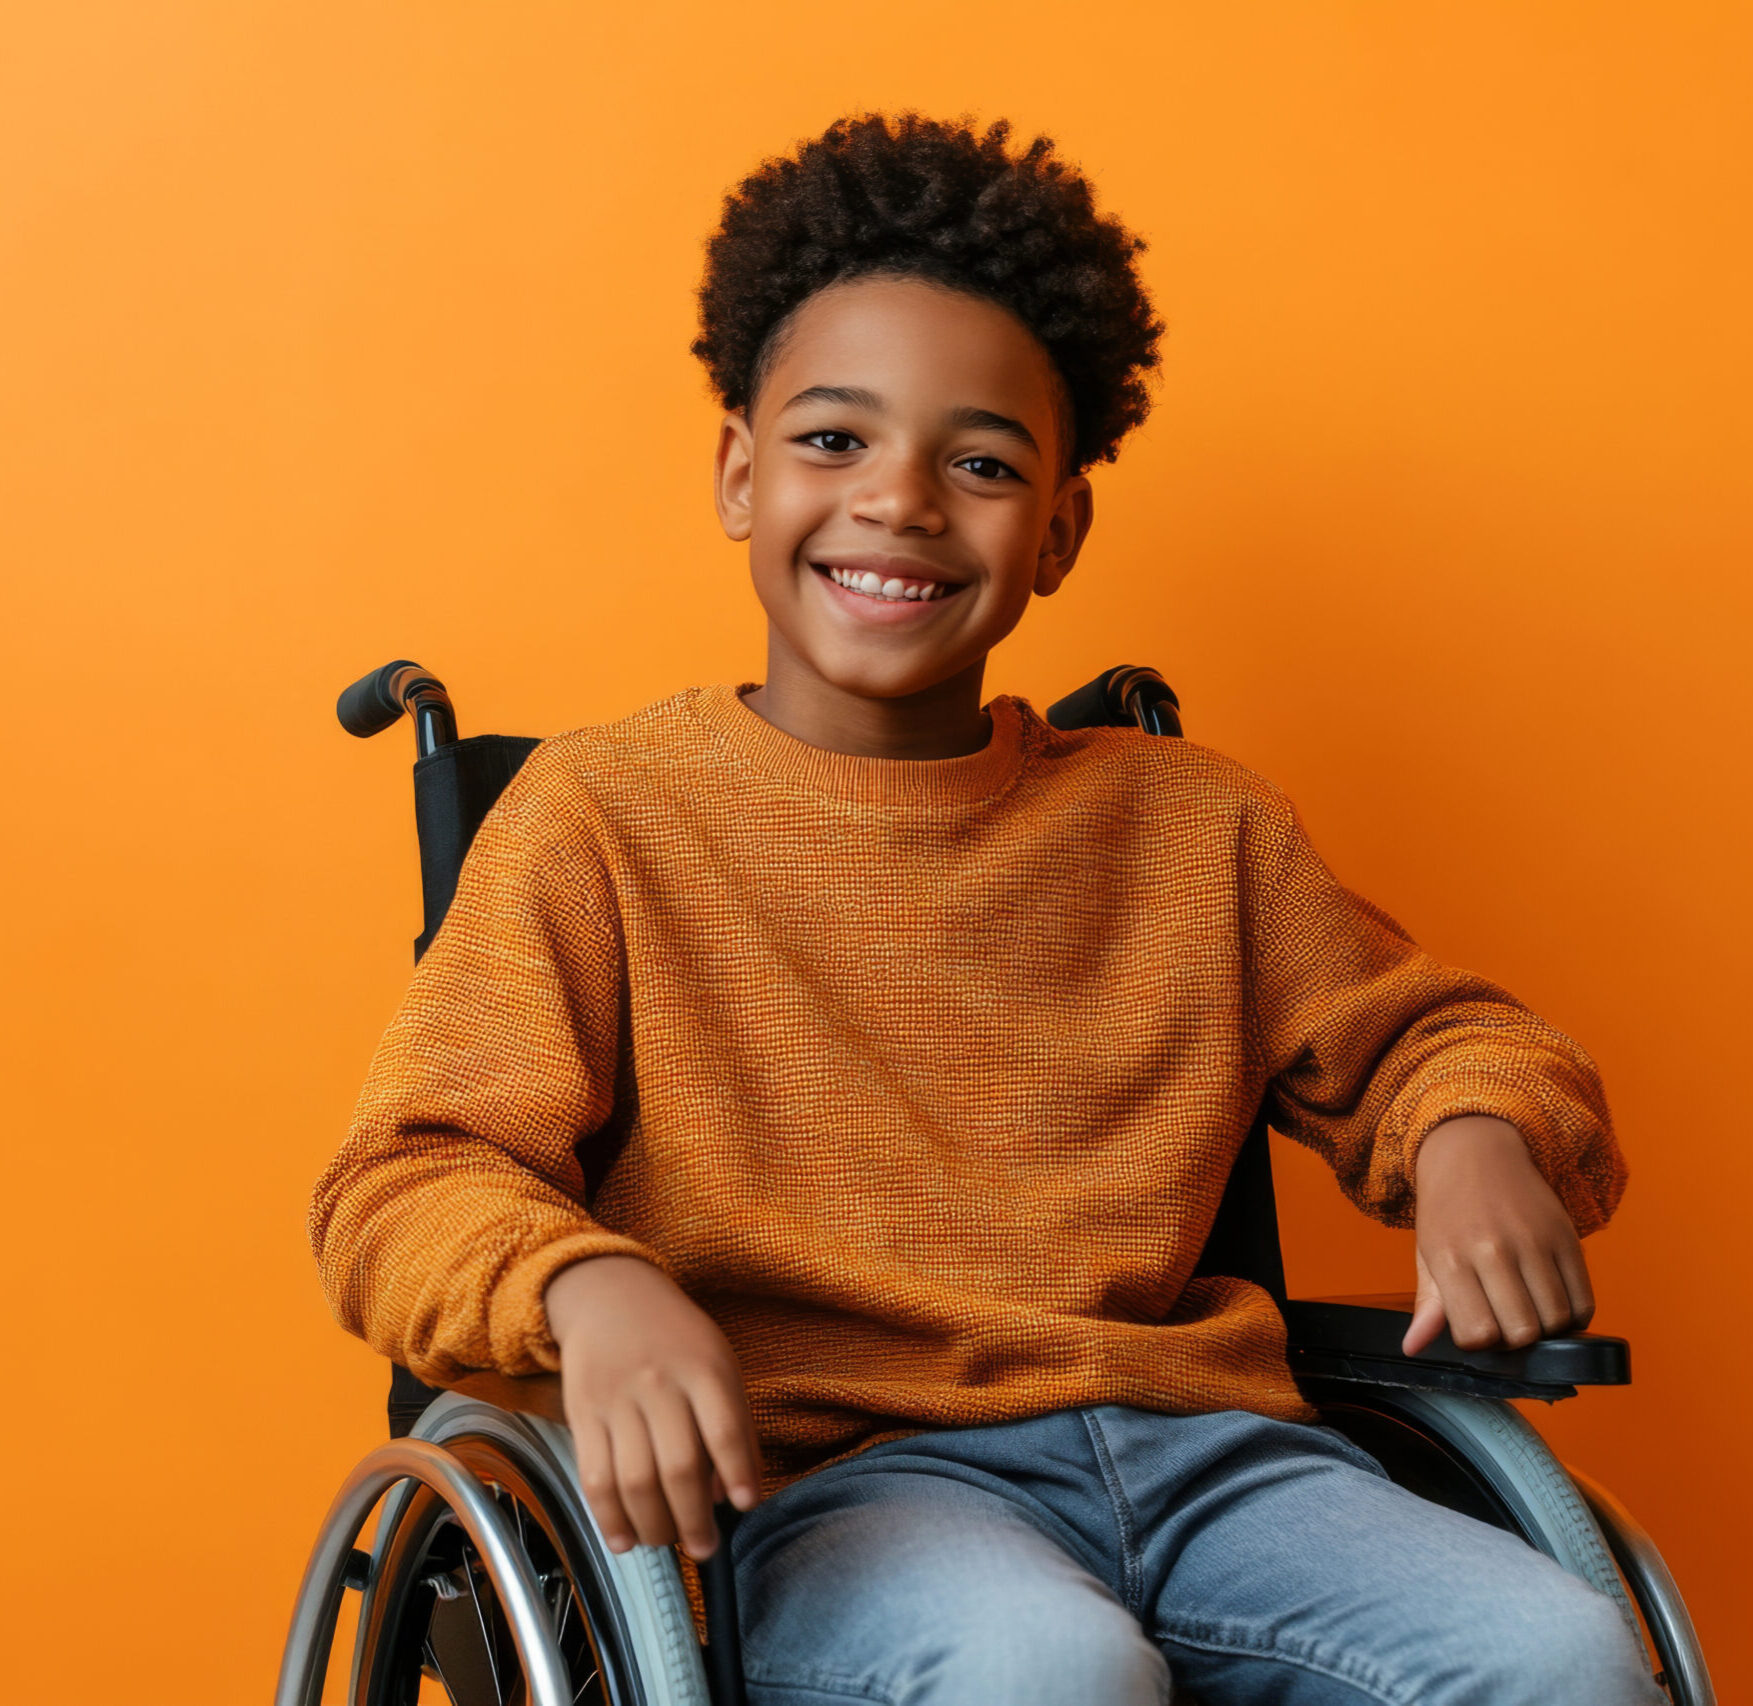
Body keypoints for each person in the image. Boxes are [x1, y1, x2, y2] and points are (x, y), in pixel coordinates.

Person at [313, 111, 1657, 1706]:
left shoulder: (1192, 823)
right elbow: (404, 1180)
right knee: (1046, 1667)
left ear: (1060, 531)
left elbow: (1443, 1035)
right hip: (843, 1486)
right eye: (832, 441)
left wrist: (1472, 1136)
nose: (900, 502)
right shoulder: (604, 821)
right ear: (740, 474)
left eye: (981, 462)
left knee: (1559, 1648)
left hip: (1224, 1469)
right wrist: (585, 1284)